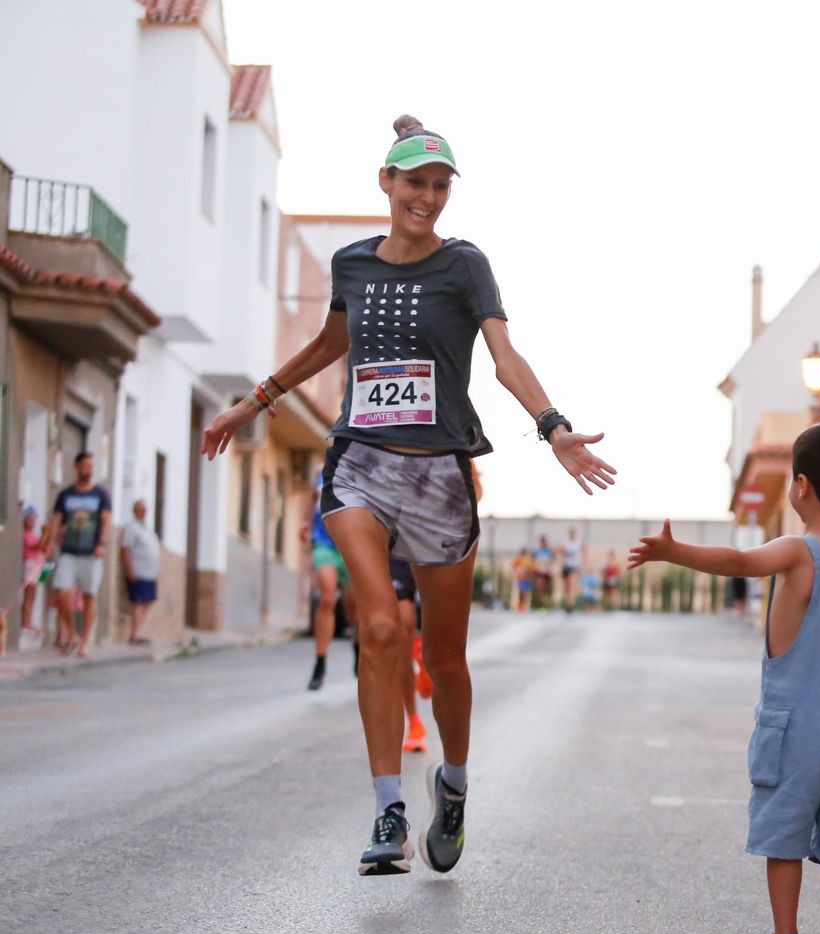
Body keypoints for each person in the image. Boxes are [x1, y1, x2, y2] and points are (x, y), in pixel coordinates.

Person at [202, 114, 615, 876]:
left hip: (439, 475)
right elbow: (331, 345)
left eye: (439, 185)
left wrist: (553, 427)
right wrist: (250, 404)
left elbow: (504, 357)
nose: (426, 197)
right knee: (381, 627)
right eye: (414, 183)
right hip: (359, 463)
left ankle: (452, 784)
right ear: (385, 183)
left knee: (446, 659)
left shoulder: (465, 265)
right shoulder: (352, 264)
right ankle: (388, 809)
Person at [628, 419, 820, 934]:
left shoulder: (799, 551)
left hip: (794, 726)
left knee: (786, 831)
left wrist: (674, 551)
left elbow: (739, 562)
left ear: (800, 486)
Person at [51, 451, 112, 657]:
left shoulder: (101, 495)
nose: (89, 469)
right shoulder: (65, 495)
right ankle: (72, 633)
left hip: (91, 553)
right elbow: (56, 521)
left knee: (89, 596)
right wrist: (50, 543)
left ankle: (85, 641)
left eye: (91, 465)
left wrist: (102, 543)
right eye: (85, 465)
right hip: (68, 551)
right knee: (61, 593)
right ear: (76, 467)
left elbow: (106, 521)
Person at [307, 472, 358, 690]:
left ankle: (358, 648)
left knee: (354, 611)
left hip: (353, 545)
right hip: (324, 543)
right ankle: (320, 663)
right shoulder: (321, 472)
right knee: (327, 597)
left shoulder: (362, 466)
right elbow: (312, 500)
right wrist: (305, 523)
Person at [391, 557, 428, 754]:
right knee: (404, 627)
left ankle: (426, 661)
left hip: (437, 549)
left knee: (441, 648)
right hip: (399, 553)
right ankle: (414, 721)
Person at [120, 499, 161, 645]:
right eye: (140, 509)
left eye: (144, 510)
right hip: (139, 571)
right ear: (135, 511)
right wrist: (130, 569)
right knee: (138, 602)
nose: (143, 512)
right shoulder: (131, 528)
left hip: (150, 572)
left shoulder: (148, 528)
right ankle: (134, 635)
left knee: (147, 602)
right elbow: (125, 549)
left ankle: (139, 632)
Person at [19, 505, 46, 634]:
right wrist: (44, 534)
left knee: (33, 595)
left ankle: (29, 621)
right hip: (30, 565)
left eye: (34, 519)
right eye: (31, 519)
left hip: (36, 565)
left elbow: (43, 547)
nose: (33, 521)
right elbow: (37, 546)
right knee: (29, 595)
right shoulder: (26, 535)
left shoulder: (32, 534)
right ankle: (25, 623)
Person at [561, 526, 582, 613]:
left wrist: (582, 564)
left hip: (574, 566)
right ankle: (568, 602)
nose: (572, 535)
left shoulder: (578, 543)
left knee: (572, 584)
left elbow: (584, 551)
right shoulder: (565, 542)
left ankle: (571, 603)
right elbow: (561, 551)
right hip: (566, 566)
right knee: (567, 586)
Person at [533, 535, 555, 608]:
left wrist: (550, 565)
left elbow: (553, 559)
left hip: (547, 572)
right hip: (539, 572)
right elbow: (534, 561)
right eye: (542, 542)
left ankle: (547, 602)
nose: (543, 543)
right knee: (539, 586)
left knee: (548, 588)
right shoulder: (537, 551)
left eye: (544, 542)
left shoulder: (549, 551)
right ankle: (540, 604)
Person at [511, 547, 534, 611]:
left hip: (526, 579)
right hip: (520, 578)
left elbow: (530, 568)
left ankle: (525, 605)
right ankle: (520, 605)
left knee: (525, 592)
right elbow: (514, 567)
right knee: (521, 592)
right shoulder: (518, 559)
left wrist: (528, 573)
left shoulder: (528, 560)